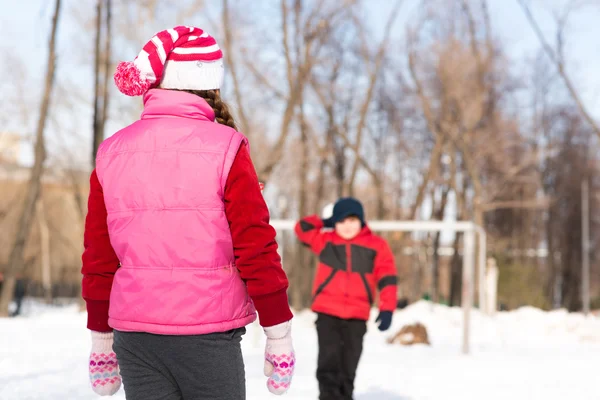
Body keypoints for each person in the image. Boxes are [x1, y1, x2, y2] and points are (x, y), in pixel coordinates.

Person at [81, 26, 295, 399]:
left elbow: (99, 254)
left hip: (135, 336)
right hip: (207, 335)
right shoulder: (228, 146)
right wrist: (278, 332)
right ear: (211, 85)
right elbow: (255, 244)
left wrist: (102, 338)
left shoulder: (111, 151)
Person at [294, 197, 397, 400]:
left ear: (361, 221)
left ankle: (345, 395)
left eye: (352, 220)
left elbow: (387, 277)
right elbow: (302, 228)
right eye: (341, 221)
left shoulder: (376, 245)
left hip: (357, 315)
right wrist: (325, 222)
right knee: (328, 362)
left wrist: (387, 308)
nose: (347, 226)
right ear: (334, 222)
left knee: (349, 364)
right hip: (327, 313)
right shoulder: (326, 241)